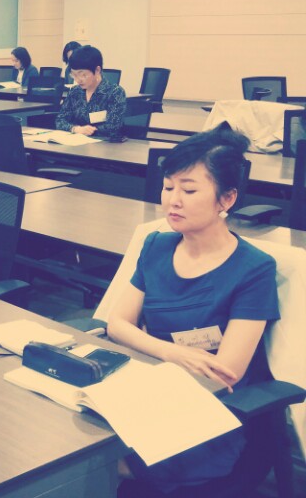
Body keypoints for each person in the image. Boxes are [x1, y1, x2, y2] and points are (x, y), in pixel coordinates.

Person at [107, 128, 279, 494]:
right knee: (79, 443)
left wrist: (155, 352)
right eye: (168, 187)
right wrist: (174, 353)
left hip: (208, 412)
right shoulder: (156, 245)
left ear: (226, 198)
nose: (173, 201)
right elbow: (117, 324)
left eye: (188, 190)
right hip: (149, 389)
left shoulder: (254, 268)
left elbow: (223, 373)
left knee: (94, 465)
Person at [55, 45, 126, 140]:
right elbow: (60, 120)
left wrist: (88, 131)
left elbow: (113, 127)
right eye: (74, 75)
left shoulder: (114, 92)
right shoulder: (75, 92)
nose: (78, 80)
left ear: (97, 70)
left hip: (106, 145)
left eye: (83, 75)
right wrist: (76, 129)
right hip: (77, 142)